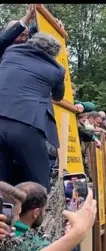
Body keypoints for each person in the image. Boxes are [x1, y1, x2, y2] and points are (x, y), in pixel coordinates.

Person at [0, 33, 65, 192]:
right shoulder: (57, 69)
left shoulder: (10, 52)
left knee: (2, 184)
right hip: (26, 124)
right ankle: (35, 214)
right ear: (53, 54)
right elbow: (58, 96)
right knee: (39, 185)